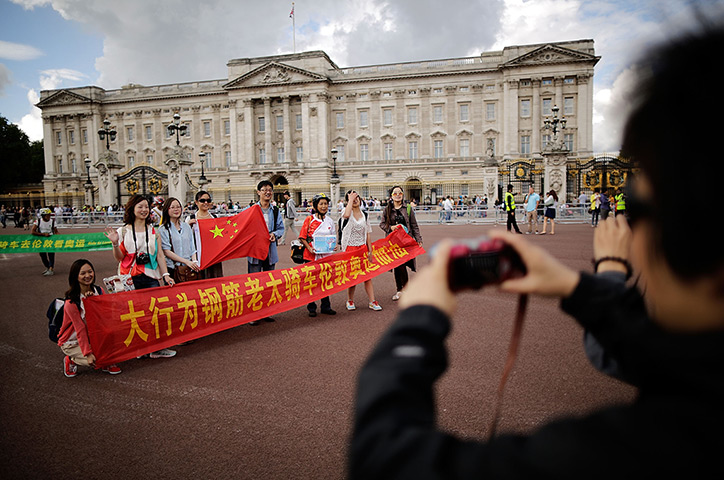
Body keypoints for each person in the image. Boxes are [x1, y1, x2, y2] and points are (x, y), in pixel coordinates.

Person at [349, 23, 724, 479]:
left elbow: (385, 459)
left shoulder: (641, 450)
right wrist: (584, 285)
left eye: (639, 205)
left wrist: (419, 317)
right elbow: (675, 359)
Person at [104, 194, 176, 359]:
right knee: (133, 313)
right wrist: (115, 243)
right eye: (140, 207)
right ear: (132, 209)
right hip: (128, 277)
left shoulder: (153, 231)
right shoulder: (123, 231)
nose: (144, 210)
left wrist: (165, 275)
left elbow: (159, 256)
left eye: (146, 207)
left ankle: (156, 348)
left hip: (150, 275)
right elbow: (119, 258)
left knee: (155, 311)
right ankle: (137, 347)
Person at [58, 259, 121, 377]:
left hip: (93, 336)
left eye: (90, 272)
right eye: (83, 273)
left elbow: (106, 316)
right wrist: (87, 354)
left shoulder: (98, 291)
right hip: (73, 341)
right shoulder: (71, 302)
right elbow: (80, 329)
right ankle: (71, 360)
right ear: (75, 277)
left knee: (118, 349)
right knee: (97, 360)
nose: (88, 276)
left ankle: (106, 359)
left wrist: (94, 302)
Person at [247, 180, 285, 325]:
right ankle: (253, 314)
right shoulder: (251, 209)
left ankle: (266, 311)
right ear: (258, 192)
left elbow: (281, 228)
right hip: (255, 251)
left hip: (270, 250)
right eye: (264, 190)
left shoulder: (275, 211)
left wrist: (275, 234)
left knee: (269, 283)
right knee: (254, 283)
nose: (267, 192)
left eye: (270, 190)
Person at [340, 190, 382, 311]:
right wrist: (350, 200)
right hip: (349, 248)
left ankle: (372, 301)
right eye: (352, 197)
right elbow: (347, 215)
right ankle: (350, 300)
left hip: (362, 248)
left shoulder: (365, 214)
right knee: (352, 276)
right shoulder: (346, 211)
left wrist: (370, 251)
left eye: (357, 197)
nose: (355, 199)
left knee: (367, 276)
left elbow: (368, 233)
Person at [379, 185, 423, 301]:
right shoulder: (387, 209)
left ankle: (405, 290)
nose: (398, 195)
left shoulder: (408, 208)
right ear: (391, 196)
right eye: (395, 193)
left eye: (400, 193)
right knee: (397, 266)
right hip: (393, 243)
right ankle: (400, 290)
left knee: (402, 265)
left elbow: (414, 225)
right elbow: (382, 224)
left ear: (403, 195)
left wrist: (418, 239)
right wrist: (391, 227)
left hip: (406, 242)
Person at [299, 193, 337, 317]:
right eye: (321, 204)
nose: (324, 206)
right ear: (316, 206)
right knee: (311, 280)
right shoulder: (309, 220)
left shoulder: (330, 221)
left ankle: (326, 306)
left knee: (325, 280)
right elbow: (302, 237)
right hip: (311, 256)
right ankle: (311, 307)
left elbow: (332, 238)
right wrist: (309, 247)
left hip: (326, 256)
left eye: (325, 204)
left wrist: (334, 246)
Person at [159, 197, 200, 283]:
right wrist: (186, 261)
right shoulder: (163, 229)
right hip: (173, 269)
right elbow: (166, 251)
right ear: (167, 209)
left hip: (188, 268)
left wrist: (194, 261)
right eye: (172, 207)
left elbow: (192, 246)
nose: (176, 209)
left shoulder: (186, 226)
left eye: (178, 207)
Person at [187, 190, 224, 279]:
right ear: (196, 202)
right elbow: (186, 237)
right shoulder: (191, 218)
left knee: (215, 278)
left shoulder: (215, 217)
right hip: (198, 254)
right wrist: (188, 225)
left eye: (208, 200)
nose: (206, 203)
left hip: (213, 255)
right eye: (202, 201)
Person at [31, 208, 59, 276]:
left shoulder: (52, 221)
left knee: (51, 255)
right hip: (41, 241)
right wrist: (43, 234)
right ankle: (48, 267)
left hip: (50, 240)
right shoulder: (38, 222)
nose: (49, 217)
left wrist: (60, 237)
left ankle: (51, 269)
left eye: (49, 215)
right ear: (43, 216)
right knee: (42, 255)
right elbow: (33, 231)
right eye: (47, 215)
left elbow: (56, 231)